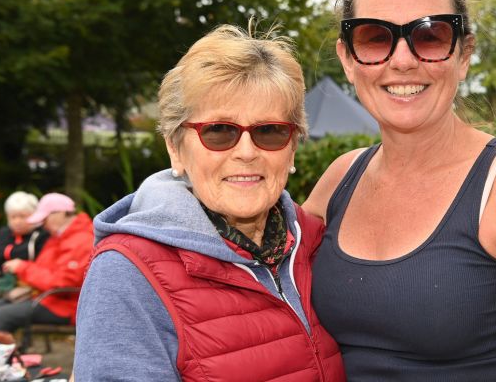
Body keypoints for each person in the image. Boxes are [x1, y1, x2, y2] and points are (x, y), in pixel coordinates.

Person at [303, 0, 496, 380]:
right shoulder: (340, 179)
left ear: (464, 56)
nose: (402, 60)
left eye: (430, 36)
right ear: (348, 59)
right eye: (374, 37)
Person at [73, 23, 345, 381]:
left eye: (269, 131)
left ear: (293, 147)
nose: (246, 152)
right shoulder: (127, 274)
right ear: (176, 147)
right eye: (219, 131)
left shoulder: (317, 242)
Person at [0, 192, 93, 332]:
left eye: (44, 219)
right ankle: (3, 353)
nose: (42, 225)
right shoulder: (58, 238)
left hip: (64, 306)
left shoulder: (82, 240)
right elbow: (44, 271)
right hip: (45, 298)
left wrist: (22, 268)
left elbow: (63, 283)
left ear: (59, 214)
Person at [0, 191, 49, 299]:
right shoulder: (3, 233)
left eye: (22, 216)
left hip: (24, 289)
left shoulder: (42, 236)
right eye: (13, 217)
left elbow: (40, 268)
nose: (17, 221)